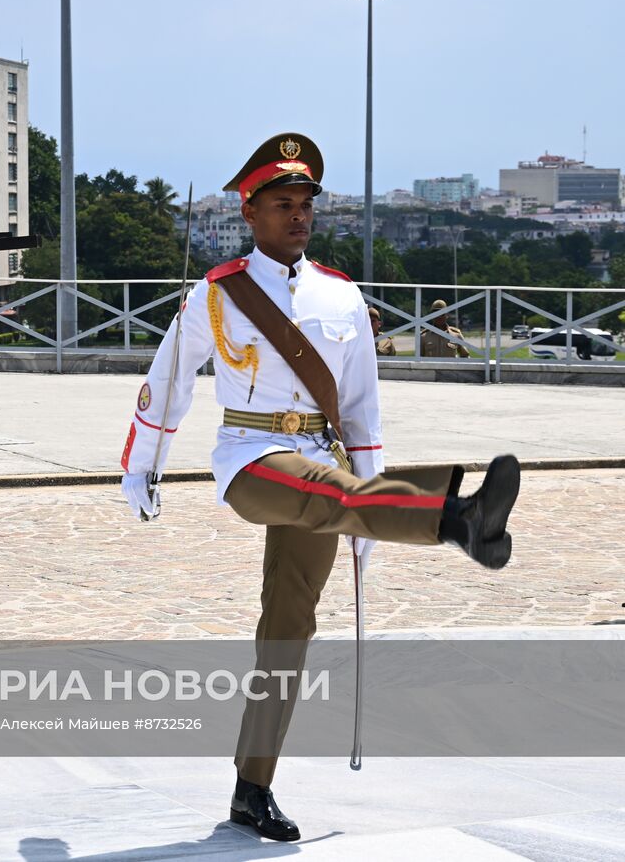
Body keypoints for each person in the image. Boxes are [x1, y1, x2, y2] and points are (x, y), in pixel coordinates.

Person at [118, 133, 522, 843]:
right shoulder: (216, 293)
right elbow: (168, 381)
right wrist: (143, 463)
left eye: (306, 203)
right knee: (332, 495)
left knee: (289, 627)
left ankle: (252, 786)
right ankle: (456, 516)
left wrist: (372, 522)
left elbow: (362, 411)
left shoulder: (342, 295)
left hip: (327, 462)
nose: (299, 215)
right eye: (283, 203)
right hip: (251, 458)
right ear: (250, 212)